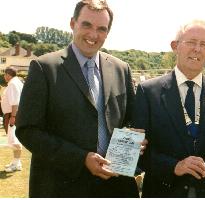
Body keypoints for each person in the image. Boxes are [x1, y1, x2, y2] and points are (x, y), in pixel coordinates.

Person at [15, 0, 146, 197]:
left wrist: (134, 137)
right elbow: (27, 130)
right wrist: (81, 158)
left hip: (116, 186)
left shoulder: (121, 68)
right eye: (86, 25)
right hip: (63, 186)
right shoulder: (44, 68)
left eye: (101, 29)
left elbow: (130, 118)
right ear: (72, 23)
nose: (93, 35)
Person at [132, 20, 205, 197]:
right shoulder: (148, 91)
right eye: (191, 42)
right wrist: (175, 166)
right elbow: (139, 151)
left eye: (204, 45)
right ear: (175, 46)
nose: (197, 49)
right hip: (163, 191)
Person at [1, 67, 23, 172]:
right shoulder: (15, 82)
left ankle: (17, 164)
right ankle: (16, 162)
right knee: (13, 140)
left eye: (5, 74)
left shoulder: (13, 84)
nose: (4, 76)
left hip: (12, 114)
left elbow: (15, 102)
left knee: (14, 140)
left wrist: (13, 117)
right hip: (11, 114)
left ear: (8, 74)